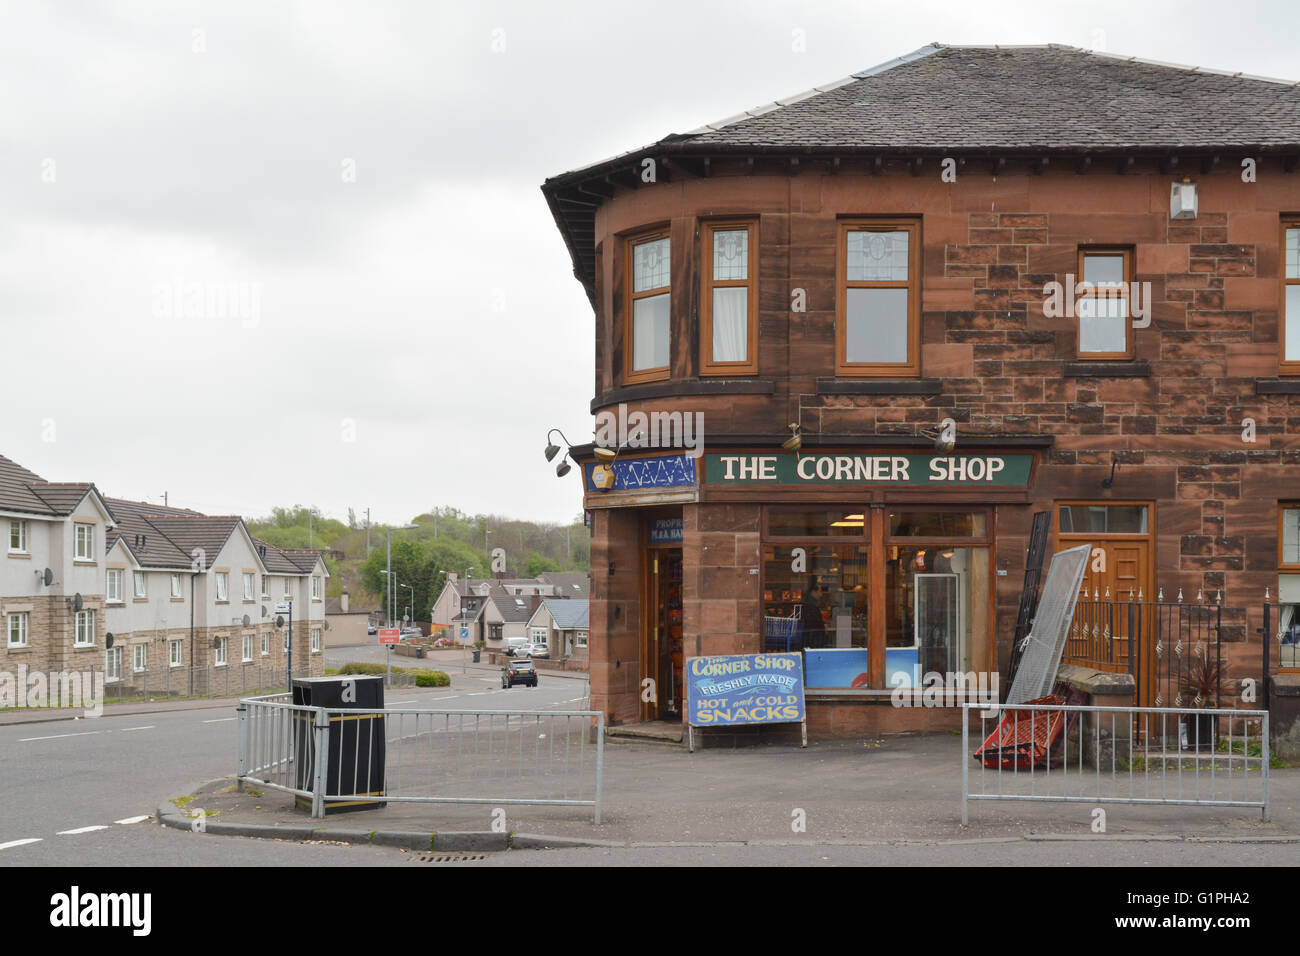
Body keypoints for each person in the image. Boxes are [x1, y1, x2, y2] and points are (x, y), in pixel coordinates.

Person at [797, 583, 826, 650]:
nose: (821, 594)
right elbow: (815, 624)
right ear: (813, 592)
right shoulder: (811, 605)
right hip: (812, 640)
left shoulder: (806, 603)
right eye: (820, 591)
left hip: (806, 639)